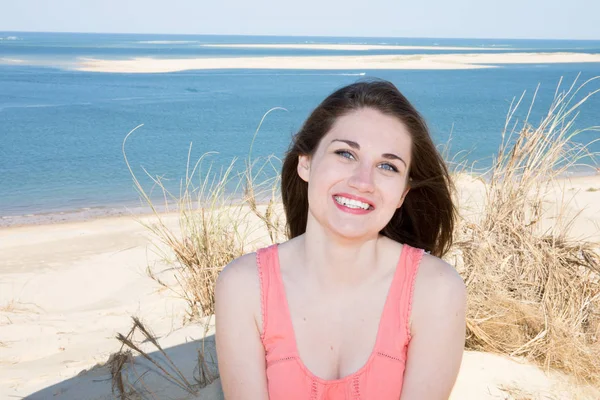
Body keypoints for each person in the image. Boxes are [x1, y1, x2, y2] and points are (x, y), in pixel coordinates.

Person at [215, 79, 467, 399]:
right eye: (345, 154)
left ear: (403, 192)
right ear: (305, 162)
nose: (363, 181)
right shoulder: (243, 286)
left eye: (387, 166)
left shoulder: (435, 289)